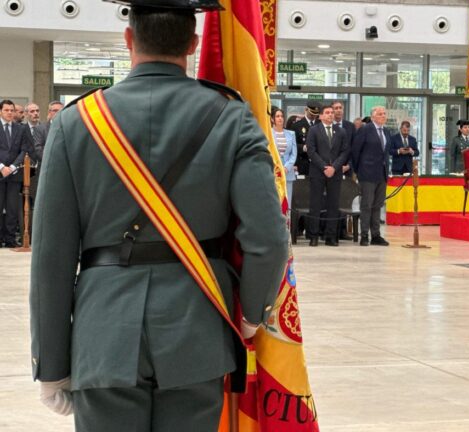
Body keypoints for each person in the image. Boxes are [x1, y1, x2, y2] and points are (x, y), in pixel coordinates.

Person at [29, 2, 289, 431]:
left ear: (129, 40)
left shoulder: (76, 122)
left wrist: (51, 362)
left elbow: (52, 258)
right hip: (197, 326)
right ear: (193, 43)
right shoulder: (231, 116)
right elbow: (268, 237)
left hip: (104, 333)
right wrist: (249, 316)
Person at [306, 105, 349, 246]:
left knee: (333, 205)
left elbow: (344, 152)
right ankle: (313, 236)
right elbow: (311, 151)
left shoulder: (341, 131)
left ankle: (331, 237)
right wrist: (324, 167)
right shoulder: (313, 130)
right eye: (327, 112)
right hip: (318, 172)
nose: (330, 115)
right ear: (321, 116)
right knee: (315, 205)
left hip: (335, 173)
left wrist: (334, 167)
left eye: (332, 112)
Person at [351, 106, 390, 246]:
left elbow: (385, 153)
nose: (383, 116)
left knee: (377, 205)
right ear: (373, 117)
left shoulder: (386, 131)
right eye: (380, 114)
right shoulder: (365, 130)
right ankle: (364, 235)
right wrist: (358, 170)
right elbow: (356, 151)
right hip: (367, 173)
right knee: (366, 205)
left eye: (384, 114)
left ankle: (376, 235)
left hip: (382, 173)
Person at [0, 99, 34, 247]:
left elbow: (25, 149)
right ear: (0, 111)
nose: (9, 113)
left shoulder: (20, 129)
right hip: (0, 172)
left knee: (12, 208)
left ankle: (10, 239)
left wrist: (13, 167)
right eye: (6, 110)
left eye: (11, 110)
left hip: (14, 174)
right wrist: (2, 167)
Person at [271, 107, 297, 208]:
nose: (280, 118)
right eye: (277, 116)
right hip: (273, 172)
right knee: (274, 201)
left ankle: (287, 223)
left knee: (287, 202)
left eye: (282, 116)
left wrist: (286, 167)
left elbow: (293, 153)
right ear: (272, 119)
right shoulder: (268, 133)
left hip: (287, 172)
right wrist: (277, 166)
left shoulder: (291, 134)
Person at [289, 100, 322, 176]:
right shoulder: (296, 125)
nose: (314, 116)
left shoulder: (320, 125)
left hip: (318, 163)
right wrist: (303, 147)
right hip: (303, 162)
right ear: (306, 109)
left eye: (316, 114)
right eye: (311, 113)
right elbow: (292, 145)